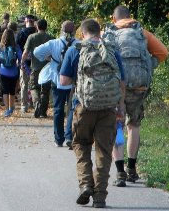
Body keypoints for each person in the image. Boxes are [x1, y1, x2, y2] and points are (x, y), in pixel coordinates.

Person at [60, 18, 125, 208]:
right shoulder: (111, 50)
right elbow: (121, 82)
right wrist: (120, 106)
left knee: (80, 144)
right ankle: (99, 197)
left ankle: (86, 184)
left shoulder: (76, 49)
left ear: (82, 33)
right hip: (108, 109)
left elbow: (63, 81)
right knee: (104, 152)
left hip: (83, 107)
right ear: (99, 32)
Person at [107, 5, 169, 187]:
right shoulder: (142, 33)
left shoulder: (108, 34)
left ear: (114, 18)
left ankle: (119, 173)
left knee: (117, 126)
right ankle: (132, 170)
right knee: (133, 126)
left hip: (117, 87)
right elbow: (163, 53)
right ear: (130, 17)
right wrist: (149, 65)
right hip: (139, 87)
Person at [34, 20, 78, 147]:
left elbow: (37, 52)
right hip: (72, 81)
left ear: (61, 30)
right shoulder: (78, 44)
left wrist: (49, 58)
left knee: (58, 109)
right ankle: (69, 135)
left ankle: (59, 139)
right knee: (71, 109)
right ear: (74, 31)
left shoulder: (54, 43)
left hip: (57, 79)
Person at [21, 19, 53, 118]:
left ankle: (37, 103)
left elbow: (26, 52)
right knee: (45, 89)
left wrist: (22, 62)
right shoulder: (51, 38)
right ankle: (43, 111)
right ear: (46, 27)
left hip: (35, 67)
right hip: (47, 67)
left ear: (37, 27)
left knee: (33, 87)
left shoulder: (31, 37)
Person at [0, 27, 22, 117]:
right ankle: (11, 107)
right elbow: (21, 57)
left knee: (5, 91)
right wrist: (20, 66)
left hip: (3, 71)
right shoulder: (16, 46)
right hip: (13, 71)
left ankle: (7, 110)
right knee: (12, 91)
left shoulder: (0, 46)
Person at [16, 15, 37, 113]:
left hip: (23, 62)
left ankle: (24, 105)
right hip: (36, 62)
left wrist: (19, 60)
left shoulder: (21, 34)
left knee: (24, 84)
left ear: (26, 21)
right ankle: (34, 103)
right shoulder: (37, 33)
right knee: (35, 84)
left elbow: (16, 48)